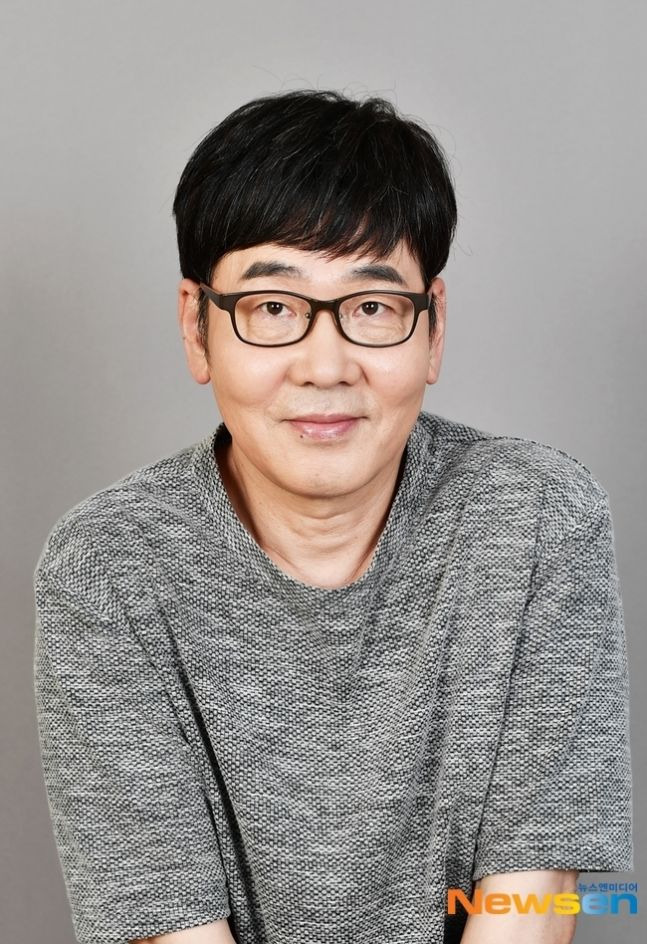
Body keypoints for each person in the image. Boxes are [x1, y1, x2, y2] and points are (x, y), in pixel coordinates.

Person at [33, 89, 632, 944]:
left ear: (432, 329)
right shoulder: (108, 565)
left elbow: (532, 906)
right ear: (196, 328)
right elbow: (165, 924)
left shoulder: (534, 518)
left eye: (372, 307)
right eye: (273, 308)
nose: (325, 365)